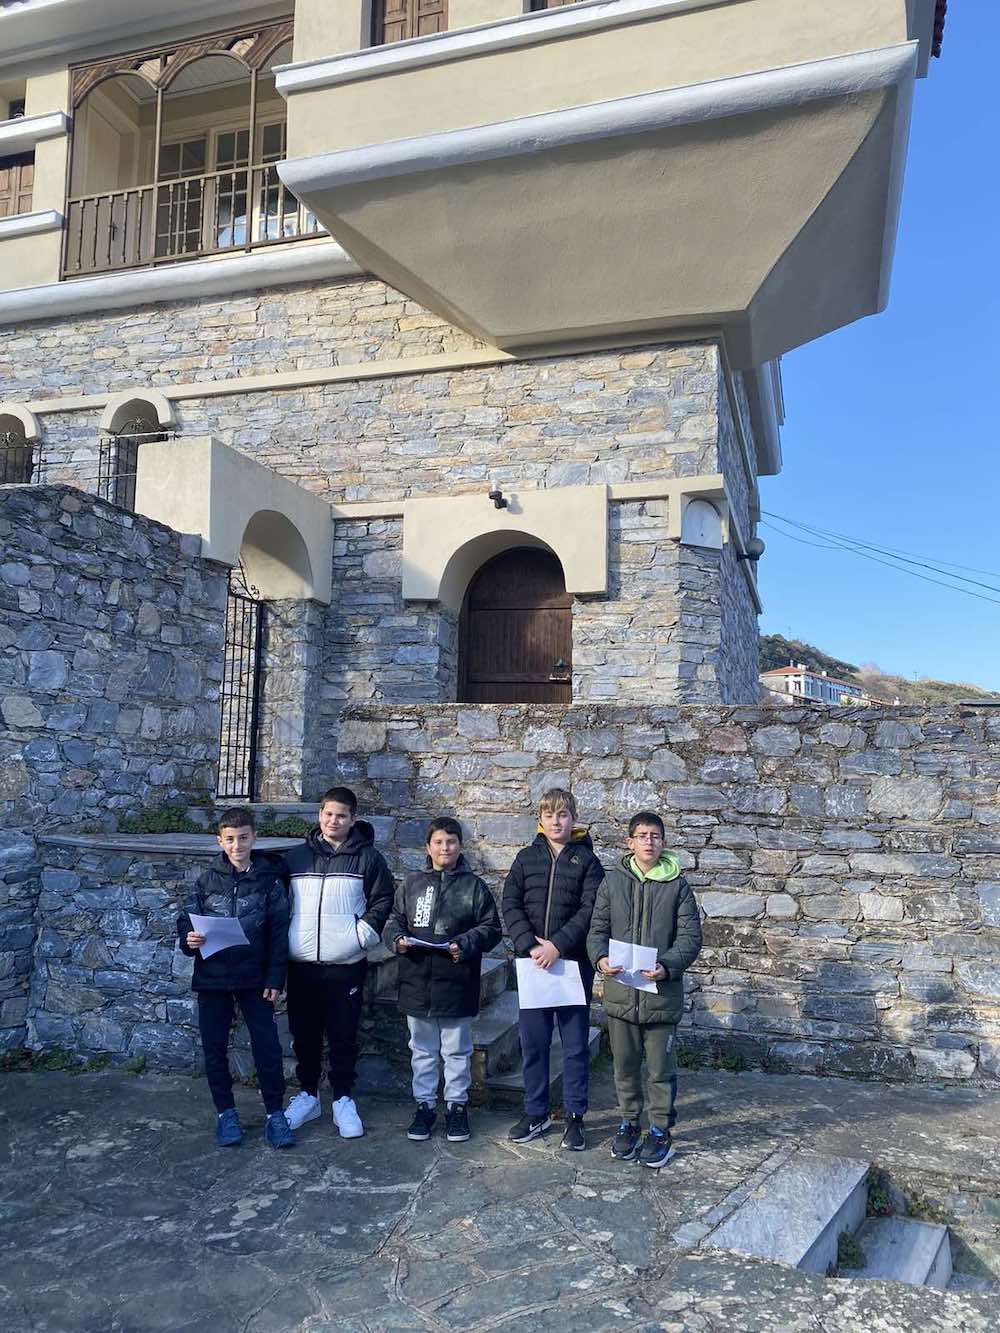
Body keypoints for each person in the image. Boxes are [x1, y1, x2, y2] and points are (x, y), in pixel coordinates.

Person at [587, 810, 702, 1168]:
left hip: (660, 997)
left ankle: (660, 1130)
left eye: (655, 836)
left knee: (659, 1070)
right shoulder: (612, 882)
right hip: (621, 995)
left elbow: (690, 937)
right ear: (630, 842)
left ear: (663, 842)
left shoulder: (678, 886)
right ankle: (629, 1123)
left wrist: (667, 966)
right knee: (623, 1066)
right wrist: (600, 959)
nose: (649, 842)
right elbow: (596, 930)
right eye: (642, 835)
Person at [177, 806, 293, 1149]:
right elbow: (186, 921)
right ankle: (225, 1113)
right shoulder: (206, 880)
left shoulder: (269, 881)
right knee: (214, 1048)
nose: (237, 845)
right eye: (230, 839)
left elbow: (279, 932)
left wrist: (275, 978)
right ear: (219, 841)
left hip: (254, 977)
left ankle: (275, 1115)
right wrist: (189, 939)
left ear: (254, 837)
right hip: (212, 976)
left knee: (267, 1047)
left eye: (243, 838)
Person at [282, 786, 394, 1138]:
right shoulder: (296, 858)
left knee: (343, 1034)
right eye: (328, 814)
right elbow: (280, 902)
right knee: (304, 1034)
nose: (334, 821)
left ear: (352, 819)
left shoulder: (368, 858)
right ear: (320, 815)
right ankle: (308, 1095)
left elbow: (382, 899)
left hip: (346, 965)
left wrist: (360, 936)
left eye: (341, 816)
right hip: (301, 965)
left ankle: (343, 1099)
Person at [383, 816, 502, 1143]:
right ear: (428, 847)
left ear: (461, 846)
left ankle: (456, 1107)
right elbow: (393, 921)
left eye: (451, 842)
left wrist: (465, 943)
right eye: (438, 842)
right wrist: (397, 940)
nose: (444, 848)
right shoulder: (411, 884)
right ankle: (424, 1106)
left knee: (456, 1051)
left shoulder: (474, 887)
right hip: (416, 982)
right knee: (422, 1050)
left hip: (457, 982)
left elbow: (491, 928)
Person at [502, 787, 604, 1151]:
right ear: (540, 820)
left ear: (573, 818)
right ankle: (536, 1112)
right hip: (533, 965)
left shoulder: (587, 862)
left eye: (562, 814)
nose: (556, 821)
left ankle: (575, 1116)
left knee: (575, 1046)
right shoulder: (525, 858)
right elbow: (510, 903)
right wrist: (531, 945)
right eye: (549, 815)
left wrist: (557, 945)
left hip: (572, 965)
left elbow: (591, 909)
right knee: (534, 1044)